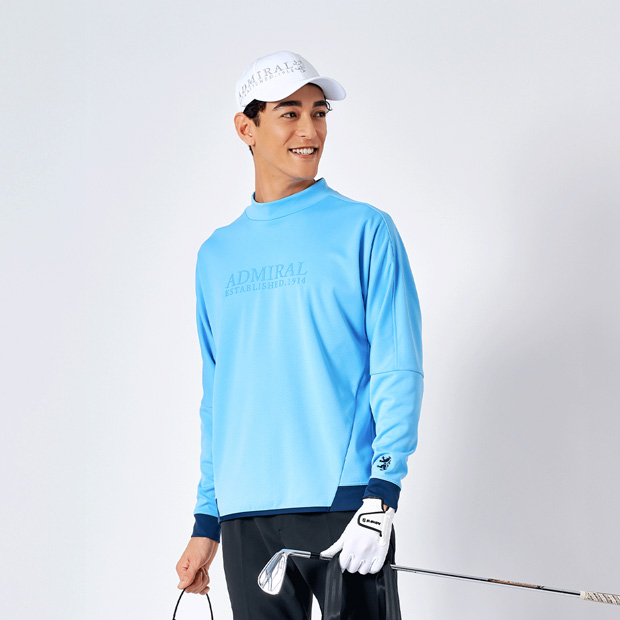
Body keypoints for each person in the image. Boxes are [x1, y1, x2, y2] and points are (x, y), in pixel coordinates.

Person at [175, 50, 424, 619]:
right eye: (289, 113)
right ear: (247, 128)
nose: (310, 130)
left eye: (319, 112)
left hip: (345, 506)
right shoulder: (216, 255)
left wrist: (381, 496)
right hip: (245, 515)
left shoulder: (365, 230)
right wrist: (206, 520)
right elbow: (218, 396)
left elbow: (397, 367)